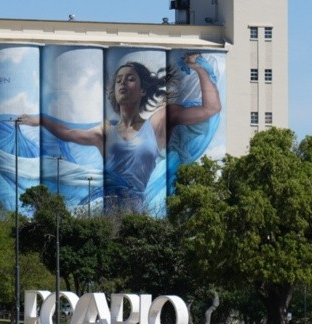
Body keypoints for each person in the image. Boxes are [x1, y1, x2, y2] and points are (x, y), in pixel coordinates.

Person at [18, 54, 221, 211]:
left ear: (143, 90)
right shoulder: (105, 131)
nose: (122, 83)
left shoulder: (157, 123)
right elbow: (69, 132)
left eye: (130, 79)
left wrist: (200, 69)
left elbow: (210, 109)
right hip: (104, 205)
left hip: (136, 206)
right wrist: (42, 120)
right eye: (119, 80)